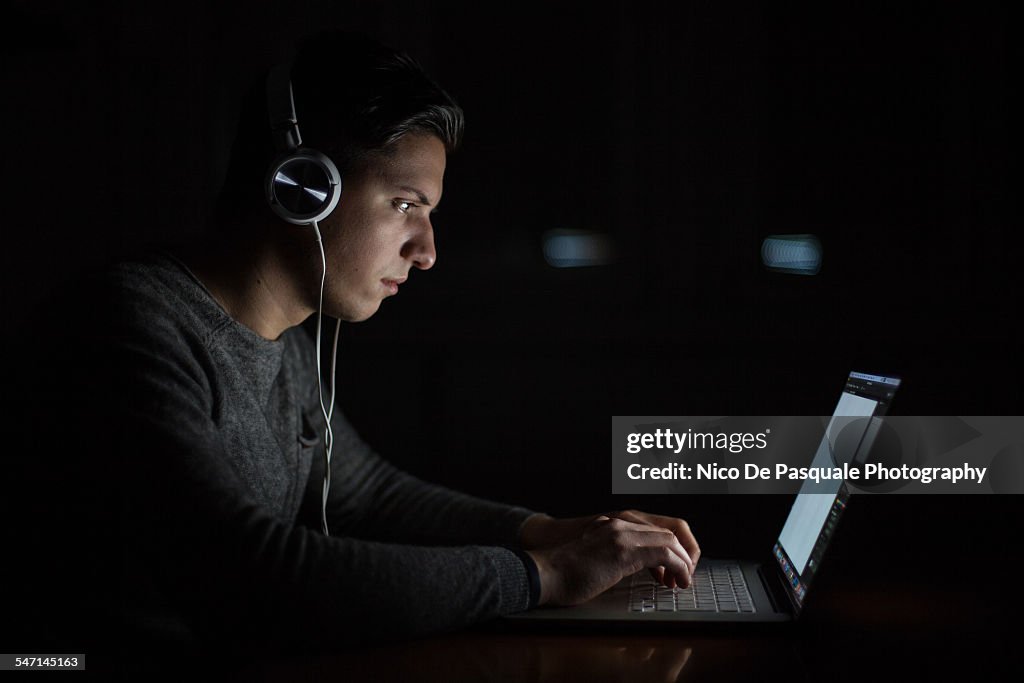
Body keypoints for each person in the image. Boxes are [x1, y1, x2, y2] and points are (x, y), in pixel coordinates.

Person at [10, 31, 699, 668]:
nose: (427, 252)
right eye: (405, 205)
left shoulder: (281, 340)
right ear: (303, 186)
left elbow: (368, 493)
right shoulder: (129, 329)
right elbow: (256, 577)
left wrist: (549, 530)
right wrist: (543, 576)